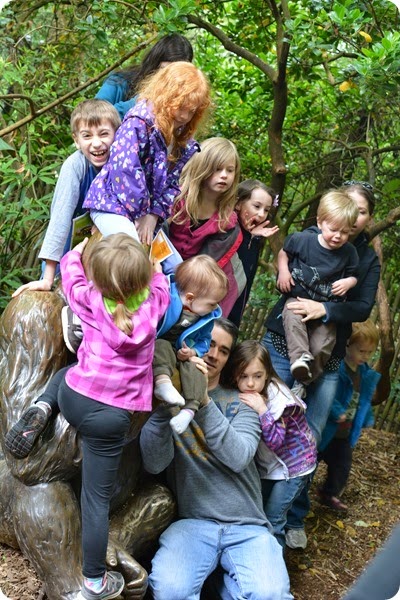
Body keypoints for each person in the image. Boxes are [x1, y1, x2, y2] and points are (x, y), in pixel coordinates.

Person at [6, 233, 170, 600]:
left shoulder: (90, 298)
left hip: (76, 397)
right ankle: (94, 581)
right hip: (110, 418)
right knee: (95, 502)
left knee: (66, 374)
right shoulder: (152, 308)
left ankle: (44, 405)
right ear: (142, 282)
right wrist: (157, 269)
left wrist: (77, 252)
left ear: (98, 277)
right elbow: (162, 287)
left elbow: (71, 276)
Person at [262, 180, 380, 549]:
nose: (354, 218)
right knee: (266, 422)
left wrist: (324, 308)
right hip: (282, 340)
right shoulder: (310, 237)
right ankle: (250, 509)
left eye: (361, 212)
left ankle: (290, 518)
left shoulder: (362, 258)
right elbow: (285, 259)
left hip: (327, 355)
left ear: (367, 217)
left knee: (309, 436)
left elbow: (362, 307)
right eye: (349, 207)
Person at [140, 319, 294, 600]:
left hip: (247, 526)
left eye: (223, 351)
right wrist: (164, 411)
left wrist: (203, 402)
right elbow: (155, 463)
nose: (213, 355)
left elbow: (239, 456)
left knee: (269, 594)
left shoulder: (244, 400)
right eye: (209, 344)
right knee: (170, 590)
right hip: (194, 523)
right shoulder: (168, 396)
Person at [84, 61, 211, 246]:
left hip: (147, 216)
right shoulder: (138, 123)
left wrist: (154, 215)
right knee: (133, 251)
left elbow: (172, 183)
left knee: (173, 263)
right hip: (111, 205)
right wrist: (142, 213)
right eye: (180, 106)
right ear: (166, 96)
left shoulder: (181, 139)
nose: (184, 116)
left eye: (191, 111)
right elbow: (125, 170)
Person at [12, 99, 121, 298]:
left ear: (118, 133)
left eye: (104, 134)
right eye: (87, 136)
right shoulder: (75, 166)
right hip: (67, 253)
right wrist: (48, 278)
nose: (97, 143)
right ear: (76, 140)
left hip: (104, 254)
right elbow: (60, 219)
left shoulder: (123, 163)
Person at [225, 340, 317, 548]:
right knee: (260, 510)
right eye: (243, 376)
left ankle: (274, 559)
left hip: (295, 467)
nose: (250, 383)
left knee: (273, 520)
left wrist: (262, 411)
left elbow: (275, 441)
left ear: (267, 373)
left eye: (257, 376)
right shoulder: (250, 391)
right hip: (273, 464)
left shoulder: (278, 399)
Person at [277, 190, 359, 394]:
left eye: (345, 232)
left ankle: (302, 384)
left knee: (324, 344)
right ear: (320, 222)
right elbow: (283, 253)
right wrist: (283, 271)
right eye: (333, 229)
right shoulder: (302, 240)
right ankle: (300, 358)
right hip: (297, 299)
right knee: (292, 319)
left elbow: (354, 276)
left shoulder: (349, 253)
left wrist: (348, 282)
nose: (338, 236)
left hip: (325, 308)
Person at [168, 137, 245, 317]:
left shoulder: (227, 223)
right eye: (217, 169)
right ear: (202, 166)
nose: (224, 175)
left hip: (191, 284)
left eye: (230, 170)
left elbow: (206, 266)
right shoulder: (175, 199)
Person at [154, 255, 228, 434]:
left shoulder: (207, 317)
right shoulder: (167, 297)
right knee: (161, 345)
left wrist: (193, 352)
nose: (216, 308)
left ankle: (189, 410)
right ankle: (162, 383)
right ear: (190, 298)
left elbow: (205, 341)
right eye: (212, 304)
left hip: (182, 353)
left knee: (197, 368)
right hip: (160, 346)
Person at [317, 319, 381, 511]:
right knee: (313, 458)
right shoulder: (338, 369)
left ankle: (328, 493)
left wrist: (366, 418)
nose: (365, 356)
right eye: (361, 351)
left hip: (344, 432)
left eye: (370, 352)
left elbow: (363, 399)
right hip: (327, 428)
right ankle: (299, 489)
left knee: (342, 464)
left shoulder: (364, 373)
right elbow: (326, 394)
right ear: (347, 345)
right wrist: (337, 411)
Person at [95, 33, 194, 119]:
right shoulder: (119, 81)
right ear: (154, 64)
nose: (168, 79)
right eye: (164, 71)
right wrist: (140, 102)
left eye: (176, 74)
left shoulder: (182, 98)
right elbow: (93, 116)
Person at [228, 179, 279, 326]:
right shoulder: (225, 229)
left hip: (232, 315)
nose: (262, 214)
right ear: (238, 203)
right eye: (257, 206)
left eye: (266, 210)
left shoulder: (255, 238)